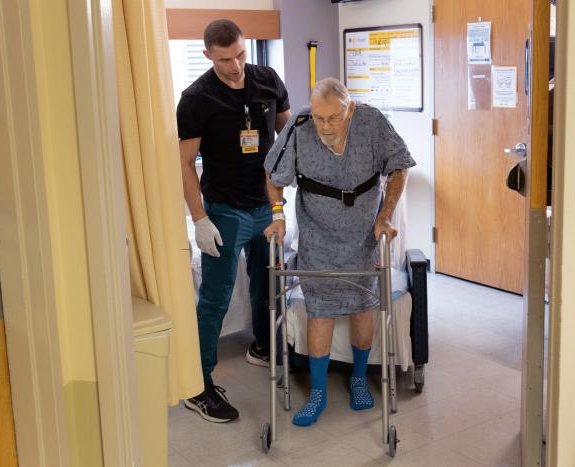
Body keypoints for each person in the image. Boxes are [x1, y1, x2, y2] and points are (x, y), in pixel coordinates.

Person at [263, 77, 415, 426]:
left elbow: (399, 167)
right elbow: (273, 176)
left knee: (362, 308)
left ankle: (359, 379)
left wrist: (385, 216)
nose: (325, 126)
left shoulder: (372, 122)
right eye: (319, 118)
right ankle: (318, 393)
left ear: (350, 109)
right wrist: (278, 216)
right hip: (317, 236)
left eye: (333, 118)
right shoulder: (301, 124)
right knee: (320, 312)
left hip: (363, 235)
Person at [177, 19, 291, 423]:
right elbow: (185, 164)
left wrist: (283, 199)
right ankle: (197, 385)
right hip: (225, 210)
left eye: (241, 54)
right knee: (216, 296)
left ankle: (263, 346)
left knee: (268, 282)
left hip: (266, 205)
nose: (236, 66)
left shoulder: (268, 80)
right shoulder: (196, 98)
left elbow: (290, 136)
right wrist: (199, 219)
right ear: (208, 55)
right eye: (225, 59)